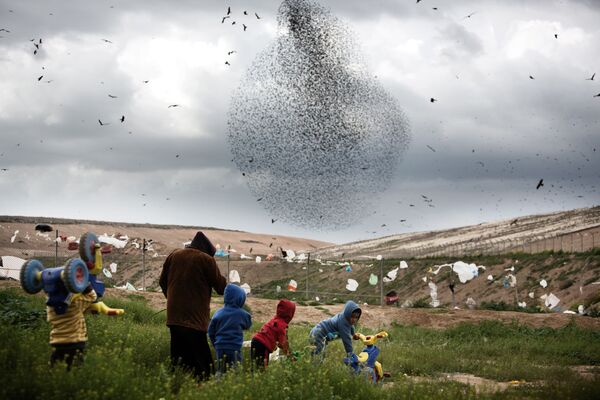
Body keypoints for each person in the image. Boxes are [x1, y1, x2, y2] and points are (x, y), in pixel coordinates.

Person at [159, 231, 227, 380]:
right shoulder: (206, 259)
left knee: (179, 360)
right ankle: (202, 390)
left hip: (174, 316)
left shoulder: (174, 255)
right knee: (204, 365)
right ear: (208, 251)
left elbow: (162, 282)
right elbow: (221, 287)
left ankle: (177, 387)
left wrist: (172, 300)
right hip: (194, 319)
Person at [47, 284, 97, 370]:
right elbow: (92, 296)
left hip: (58, 342)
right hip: (75, 342)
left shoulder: (50, 306)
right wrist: (84, 282)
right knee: (75, 370)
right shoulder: (75, 303)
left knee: (55, 369)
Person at [208, 284, 252, 374]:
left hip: (220, 347)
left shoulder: (218, 313)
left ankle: (218, 385)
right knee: (235, 370)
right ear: (240, 299)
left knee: (220, 370)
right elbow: (248, 325)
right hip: (234, 347)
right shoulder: (242, 314)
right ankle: (233, 386)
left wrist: (216, 344)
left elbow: (210, 331)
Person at [250, 299, 296, 370]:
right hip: (262, 345)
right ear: (290, 314)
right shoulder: (282, 325)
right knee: (262, 368)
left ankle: (253, 379)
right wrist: (290, 356)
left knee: (255, 366)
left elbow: (270, 334)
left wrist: (273, 344)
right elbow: (283, 343)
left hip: (255, 341)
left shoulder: (274, 320)